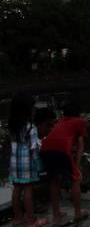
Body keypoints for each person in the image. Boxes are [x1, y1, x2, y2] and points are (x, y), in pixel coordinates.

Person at [40, 101, 88, 224]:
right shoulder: (80, 122)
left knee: (54, 180)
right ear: (78, 114)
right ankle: (78, 213)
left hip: (45, 149)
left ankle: (56, 216)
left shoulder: (59, 122)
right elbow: (80, 146)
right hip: (61, 149)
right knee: (75, 180)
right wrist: (76, 168)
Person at [8, 93, 48, 227]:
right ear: (27, 109)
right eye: (32, 107)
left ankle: (18, 217)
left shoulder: (12, 125)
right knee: (28, 190)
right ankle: (31, 220)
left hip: (14, 163)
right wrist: (38, 163)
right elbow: (33, 148)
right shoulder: (31, 127)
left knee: (17, 189)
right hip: (27, 163)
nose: (34, 109)